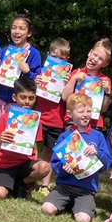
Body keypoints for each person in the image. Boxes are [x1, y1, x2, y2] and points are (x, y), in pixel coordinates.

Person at [42, 92, 112, 222]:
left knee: (83, 220)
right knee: (47, 209)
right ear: (69, 114)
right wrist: (64, 168)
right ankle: (68, 204)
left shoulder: (97, 136)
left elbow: (107, 162)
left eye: (88, 111)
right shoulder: (65, 137)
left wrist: (97, 153)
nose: (85, 114)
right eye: (81, 111)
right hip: (64, 187)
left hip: (86, 190)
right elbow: (55, 162)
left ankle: (82, 207)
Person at [0, 76, 48, 199]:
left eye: (31, 98)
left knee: (45, 167)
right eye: (23, 97)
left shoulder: (36, 121)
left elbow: (35, 148)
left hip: (24, 164)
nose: (27, 102)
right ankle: (12, 185)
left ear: (35, 98)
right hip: (5, 165)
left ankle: (22, 184)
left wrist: (34, 160)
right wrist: (0, 138)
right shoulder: (5, 118)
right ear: (14, 97)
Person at [0, 13, 42, 126]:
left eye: (21, 28)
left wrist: (27, 72)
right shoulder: (5, 51)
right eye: (14, 27)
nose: (16, 31)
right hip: (1, 100)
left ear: (29, 33)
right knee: (0, 135)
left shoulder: (33, 53)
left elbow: (38, 81)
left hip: (20, 103)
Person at [34, 37, 72, 182]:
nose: (58, 61)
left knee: (49, 151)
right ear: (48, 54)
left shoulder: (70, 76)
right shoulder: (42, 72)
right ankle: (30, 179)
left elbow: (68, 98)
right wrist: (36, 82)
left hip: (56, 120)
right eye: (54, 57)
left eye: (62, 58)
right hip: (38, 115)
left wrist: (68, 82)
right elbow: (31, 94)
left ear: (67, 58)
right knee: (32, 149)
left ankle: (45, 184)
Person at [61, 39, 112, 131]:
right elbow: (65, 97)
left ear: (105, 64)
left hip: (94, 123)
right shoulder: (76, 73)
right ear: (90, 52)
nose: (95, 59)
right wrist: (73, 79)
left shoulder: (105, 80)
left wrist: (108, 92)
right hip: (73, 121)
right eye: (95, 54)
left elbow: (103, 109)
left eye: (100, 59)